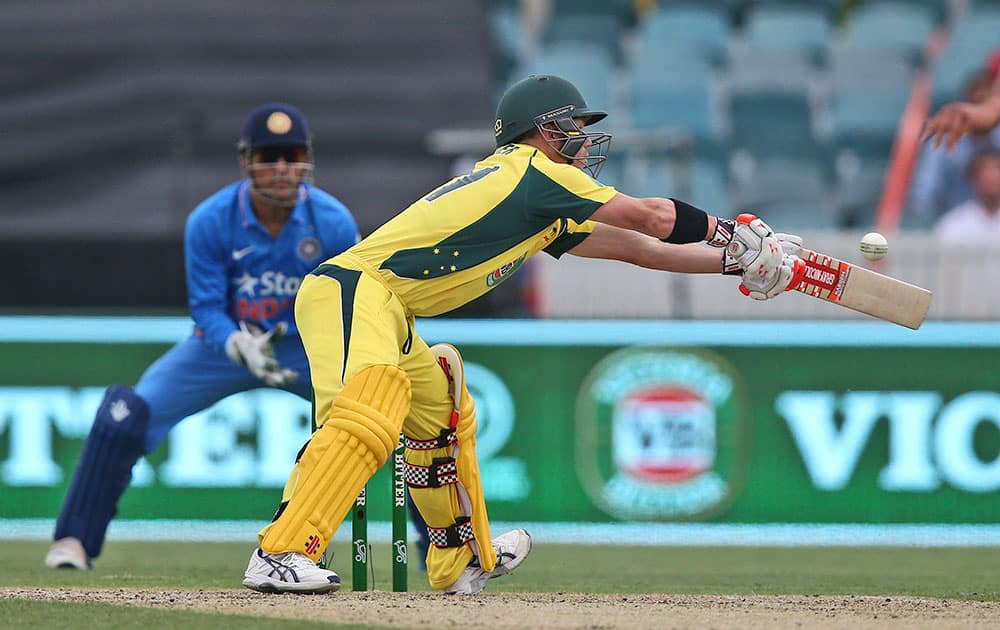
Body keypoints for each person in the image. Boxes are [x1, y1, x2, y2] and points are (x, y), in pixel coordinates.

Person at [240, 74, 805, 596]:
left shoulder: (541, 205)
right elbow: (653, 218)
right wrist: (730, 231)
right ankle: (282, 551)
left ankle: (457, 560)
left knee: (441, 409)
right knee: (370, 408)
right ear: (541, 130)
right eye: (574, 130)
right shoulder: (531, 174)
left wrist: (738, 264)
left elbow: (641, 250)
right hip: (352, 289)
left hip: (391, 309)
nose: (585, 143)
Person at [44, 103, 361, 570]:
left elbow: (347, 306)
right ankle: (73, 541)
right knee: (125, 414)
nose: (280, 169)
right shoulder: (210, 221)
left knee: (390, 414)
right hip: (223, 348)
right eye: (268, 157)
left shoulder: (333, 223)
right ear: (246, 161)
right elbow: (208, 309)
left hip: (307, 348)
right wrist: (237, 344)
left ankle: (440, 550)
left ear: (307, 159)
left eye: (291, 155)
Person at [910, 71, 1000, 220]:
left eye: (984, 102)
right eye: (975, 102)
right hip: (954, 223)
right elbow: (924, 191)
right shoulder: (942, 141)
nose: (978, 107)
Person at [934, 150, 1000, 242]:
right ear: (972, 178)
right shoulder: (952, 224)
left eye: (996, 170)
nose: (991, 177)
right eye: (985, 171)